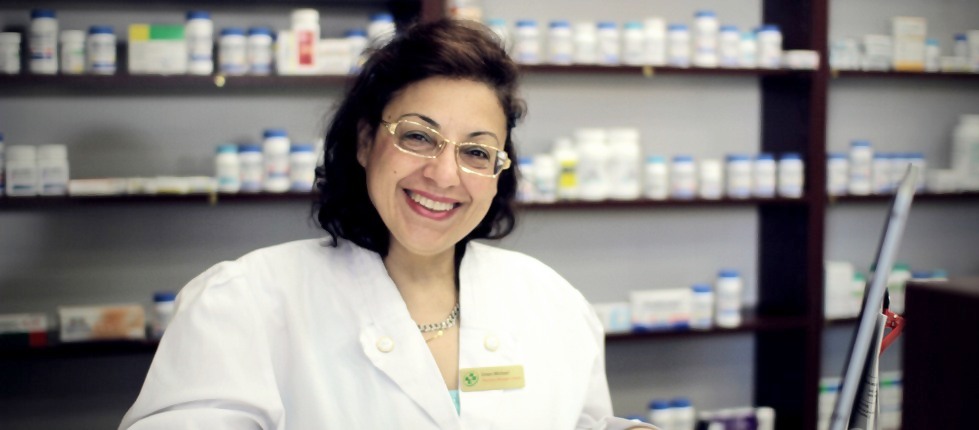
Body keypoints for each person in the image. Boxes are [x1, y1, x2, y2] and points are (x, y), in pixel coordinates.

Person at [119, 19, 654, 430]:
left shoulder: (552, 302)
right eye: (418, 136)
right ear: (364, 142)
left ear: (497, 174)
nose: (443, 175)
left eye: (476, 151)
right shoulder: (245, 302)